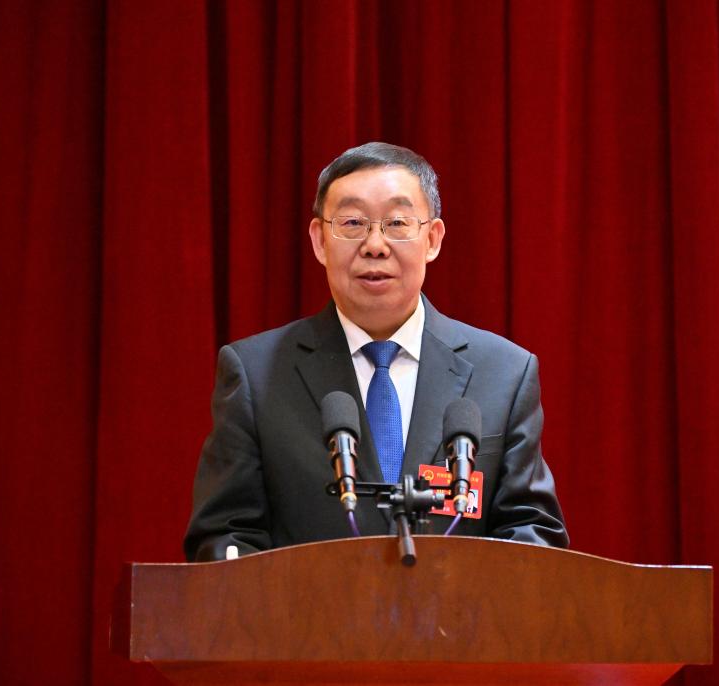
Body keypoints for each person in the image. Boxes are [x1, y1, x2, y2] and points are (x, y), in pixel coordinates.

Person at [184, 142, 568, 561]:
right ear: (319, 240)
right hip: (307, 605)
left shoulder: (504, 374)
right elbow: (225, 535)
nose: (375, 244)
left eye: (397, 223)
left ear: (433, 239)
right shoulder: (256, 374)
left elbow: (532, 533)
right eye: (352, 223)